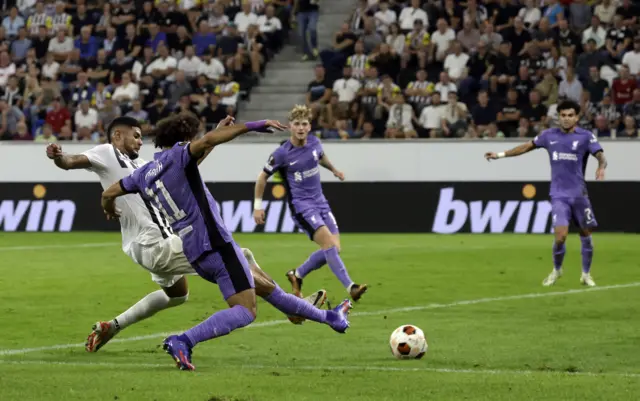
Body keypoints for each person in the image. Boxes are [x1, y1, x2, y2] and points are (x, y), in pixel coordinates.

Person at [45, 116, 342, 357]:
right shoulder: (108, 152)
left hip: (151, 247)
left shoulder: (145, 169)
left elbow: (185, 163)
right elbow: (73, 162)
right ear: (117, 136)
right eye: (134, 135)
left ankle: (114, 326)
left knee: (179, 294)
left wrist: (107, 205)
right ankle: (290, 308)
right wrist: (60, 157)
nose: (139, 140)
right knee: (244, 262)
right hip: (162, 244)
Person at [484, 100, 607, 287]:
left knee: (586, 234)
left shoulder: (586, 137)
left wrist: (601, 166)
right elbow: (526, 147)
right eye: (563, 115)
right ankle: (557, 270)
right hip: (558, 194)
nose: (566, 119)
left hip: (579, 195)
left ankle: (586, 274)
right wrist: (500, 155)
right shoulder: (549, 136)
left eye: (570, 115)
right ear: (558, 117)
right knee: (560, 236)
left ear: (577, 117)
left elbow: (600, 155)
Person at [253, 105, 368, 301]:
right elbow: (262, 177)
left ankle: (297, 274)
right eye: (296, 124)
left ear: (309, 126)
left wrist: (334, 170)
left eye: (304, 124)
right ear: (290, 126)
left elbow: (320, 157)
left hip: (321, 202)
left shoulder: (315, 142)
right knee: (329, 246)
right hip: (302, 207)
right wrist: (257, 206)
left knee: (334, 248)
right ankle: (351, 287)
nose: (300, 128)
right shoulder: (282, 153)